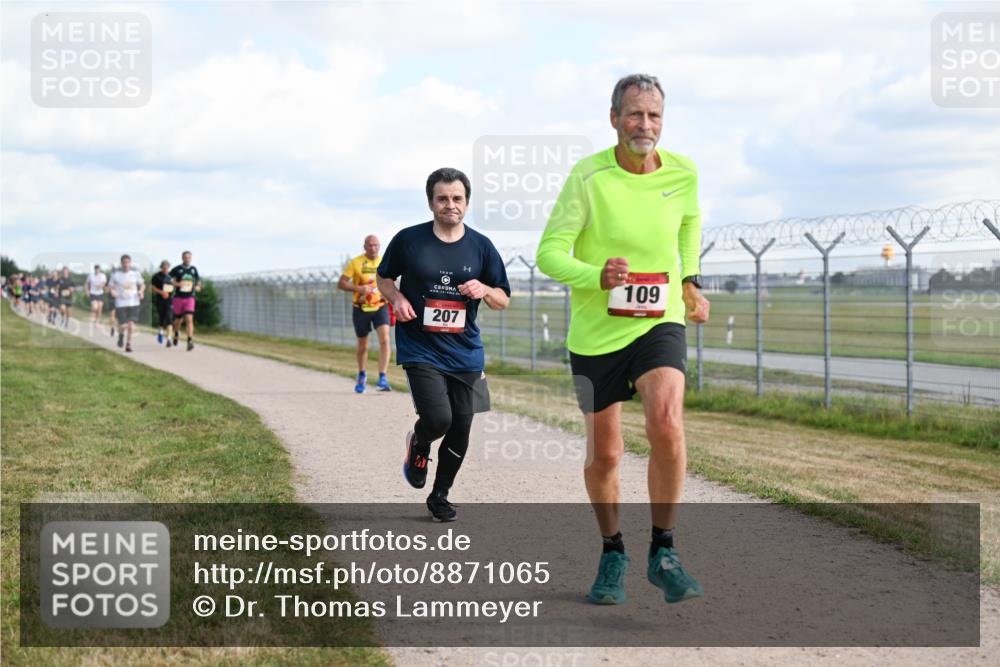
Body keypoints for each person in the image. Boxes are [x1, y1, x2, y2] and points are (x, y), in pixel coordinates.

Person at [536, 74, 710, 605]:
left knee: (666, 421)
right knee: (607, 454)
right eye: (635, 114)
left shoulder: (683, 172)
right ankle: (613, 551)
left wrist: (691, 281)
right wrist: (596, 276)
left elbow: (689, 224)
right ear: (613, 118)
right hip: (597, 332)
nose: (645, 125)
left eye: (654, 115)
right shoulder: (588, 177)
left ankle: (665, 551)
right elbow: (549, 252)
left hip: (659, 321)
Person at [377, 167, 511, 522]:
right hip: (420, 345)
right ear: (431, 202)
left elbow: (503, 298)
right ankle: (420, 443)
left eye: (457, 198)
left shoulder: (482, 246)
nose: (450, 205)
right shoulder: (409, 239)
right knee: (438, 418)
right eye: (442, 198)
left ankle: (440, 495)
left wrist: (484, 289)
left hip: (465, 349)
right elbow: (384, 278)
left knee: (462, 425)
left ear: (466, 202)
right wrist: (397, 298)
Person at [338, 235, 393, 393]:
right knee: (363, 345)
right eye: (370, 245)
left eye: (376, 245)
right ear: (364, 246)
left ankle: (382, 377)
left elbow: (392, 282)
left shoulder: (384, 262)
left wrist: (388, 294)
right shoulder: (356, 262)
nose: (373, 248)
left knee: (385, 339)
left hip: (380, 307)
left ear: (379, 246)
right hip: (361, 308)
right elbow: (341, 283)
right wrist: (359, 289)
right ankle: (362, 374)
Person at [108, 255, 144, 353]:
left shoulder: (135, 273)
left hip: (134, 302)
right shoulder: (116, 275)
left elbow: (142, 284)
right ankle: (120, 336)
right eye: (124, 262)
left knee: (131, 325)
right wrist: (112, 292)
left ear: (130, 263)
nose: (126, 264)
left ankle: (128, 345)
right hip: (120, 303)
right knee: (123, 325)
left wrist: (141, 291)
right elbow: (110, 286)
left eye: (128, 262)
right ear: (121, 263)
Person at [169, 251, 201, 351]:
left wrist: (198, 286)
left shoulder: (193, 269)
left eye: (189, 257)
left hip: (190, 297)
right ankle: (176, 333)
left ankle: (190, 341)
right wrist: (176, 284)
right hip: (178, 297)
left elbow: (198, 280)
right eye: (185, 257)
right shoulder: (177, 269)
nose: (187, 259)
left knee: (189, 318)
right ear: (182, 258)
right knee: (178, 320)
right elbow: (168, 279)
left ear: (191, 258)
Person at [150, 260, 175, 347]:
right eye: (164, 268)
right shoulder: (157, 276)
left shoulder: (171, 277)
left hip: (169, 300)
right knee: (162, 318)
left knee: (169, 318)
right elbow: (152, 287)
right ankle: (160, 332)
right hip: (160, 300)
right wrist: (161, 292)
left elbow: (173, 286)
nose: (165, 269)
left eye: (167, 268)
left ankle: (169, 339)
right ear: (161, 268)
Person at [84, 264, 108, 331]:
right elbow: (87, 283)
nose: (97, 270)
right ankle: (93, 315)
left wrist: (101, 285)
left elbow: (104, 283)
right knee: (95, 307)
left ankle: (98, 322)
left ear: (100, 270)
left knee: (100, 308)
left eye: (98, 269)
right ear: (94, 269)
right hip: (93, 293)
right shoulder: (90, 275)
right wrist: (87, 291)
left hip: (100, 293)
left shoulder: (103, 275)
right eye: (96, 269)